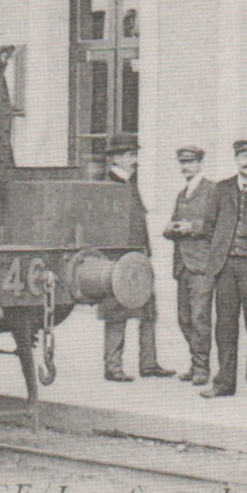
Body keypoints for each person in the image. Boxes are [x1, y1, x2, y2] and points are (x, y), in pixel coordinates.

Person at [198, 139, 247, 400]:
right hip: (226, 267)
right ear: (236, 159)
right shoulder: (222, 189)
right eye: (244, 156)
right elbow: (209, 226)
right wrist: (223, 251)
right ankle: (224, 382)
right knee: (225, 326)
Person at [100, 134, 174, 382]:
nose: (135, 160)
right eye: (131, 155)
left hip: (138, 258)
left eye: (135, 154)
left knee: (148, 311)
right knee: (116, 313)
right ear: (117, 158)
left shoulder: (131, 183)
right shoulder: (107, 186)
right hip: (117, 260)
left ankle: (149, 363)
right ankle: (113, 366)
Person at [163, 145, 216, 385]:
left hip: (202, 265)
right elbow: (176, 221)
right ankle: (195, 364)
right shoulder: (181, 194)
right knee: (183, 318)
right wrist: (170, 229)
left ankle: (202, 368)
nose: (186, 167)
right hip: (183, 265)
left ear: (200, 164)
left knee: (199, 317)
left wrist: (191, 228)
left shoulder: (212, 191)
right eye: (182, 163)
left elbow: (216, 223)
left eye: (190, 162)